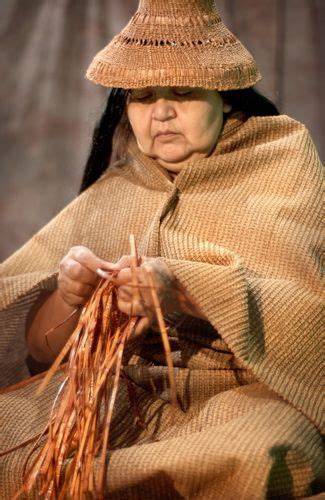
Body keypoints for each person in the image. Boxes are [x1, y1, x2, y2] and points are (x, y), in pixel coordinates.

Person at [0, 0, 323, 498]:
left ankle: (101, 481)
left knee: (263, 451)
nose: (162, 111)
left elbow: (311, 320)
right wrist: (70, 300)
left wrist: (187, 293)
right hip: (120, 396)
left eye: (183, 92)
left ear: (225, 97)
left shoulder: (282, 166)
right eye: (144, 95)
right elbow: (44, 355)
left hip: (242, 398)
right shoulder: (116, 189)